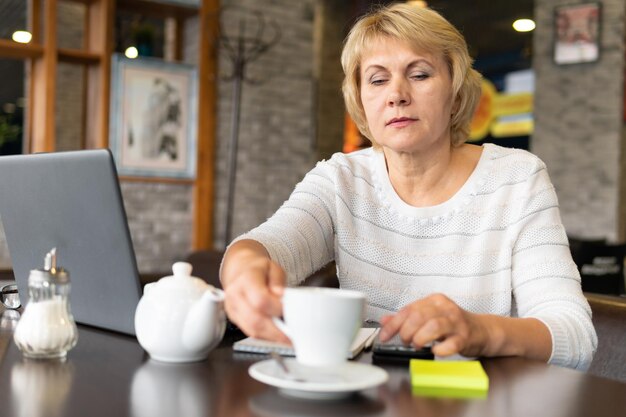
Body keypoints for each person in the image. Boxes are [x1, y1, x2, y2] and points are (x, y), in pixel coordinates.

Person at [220, 3, 597, 370]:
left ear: (455, 92)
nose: (396, 94)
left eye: (419, 75)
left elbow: (575, 335)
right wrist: (244, 270)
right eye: (378, 79)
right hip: (364, 396)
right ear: (361, 100)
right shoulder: (341, 180)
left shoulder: (517, 179)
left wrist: (481, 330)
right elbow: (269, 244)